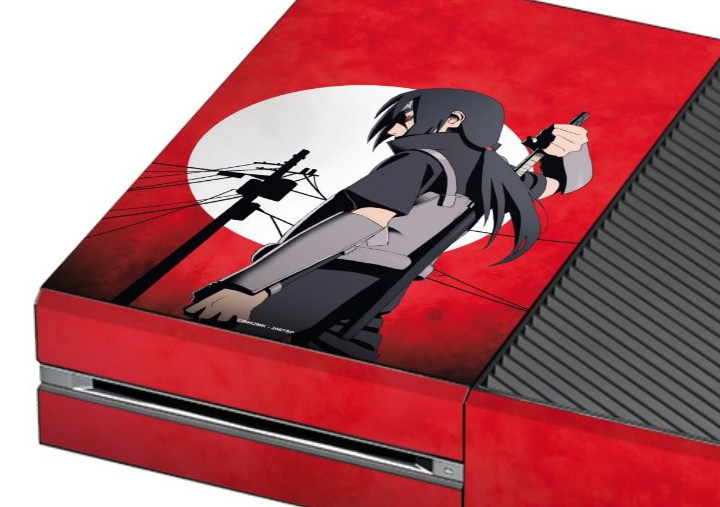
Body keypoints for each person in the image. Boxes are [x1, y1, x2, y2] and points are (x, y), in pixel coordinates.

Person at [185, 88, 592, 359]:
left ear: (453, 119)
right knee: (333, 372)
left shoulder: (422, 160)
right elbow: (566, 182)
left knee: (226, 359)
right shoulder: (494, 177)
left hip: (323, 277)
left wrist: (249, 286)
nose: (396, 128)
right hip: (379, 295)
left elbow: (358, 223)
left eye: (406, 118)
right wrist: (573, 151)